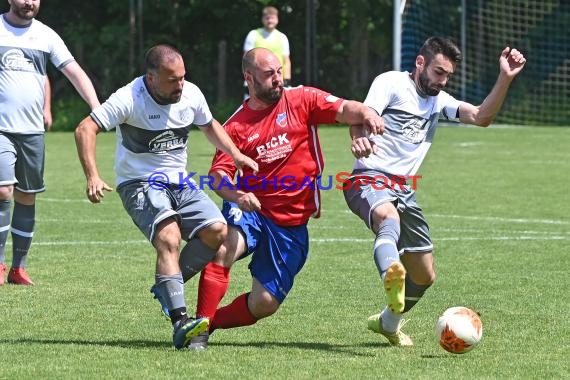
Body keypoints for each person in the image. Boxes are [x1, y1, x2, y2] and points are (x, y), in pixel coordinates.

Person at [176, 47, 385, 349]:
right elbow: (218, 177)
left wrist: (367, 113)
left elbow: (344, 109)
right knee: (226, 249)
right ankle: (199, 333)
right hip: (251, 208)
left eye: (279, 72)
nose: (277, 79)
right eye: (268, 74)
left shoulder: (302, 99)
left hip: (291, 224)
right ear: (249, 78)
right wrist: (238, 195)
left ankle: (210, 323)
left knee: (265, 304)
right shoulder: (235, 126)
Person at [344, 37, 526, 346]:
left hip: (404, 190)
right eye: (438, 72)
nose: (442, 81)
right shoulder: (390, 83)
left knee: (425, 275)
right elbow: (362, 115)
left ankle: (388, 323)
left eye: (447, 76)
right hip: (369, 178)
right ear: (420, 63)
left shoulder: (438, 100)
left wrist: (505, 78)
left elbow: (482, 117)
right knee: (387, 217)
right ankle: (390, 270)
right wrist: (359, 137)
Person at [74, 44, 257, 350]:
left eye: (183, 77)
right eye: (172, 80)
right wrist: (92, 175)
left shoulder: (191, 94)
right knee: (169, 237)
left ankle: (166, 287)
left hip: (180, 182)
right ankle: (180, 320)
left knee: (217, 231)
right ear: (151, 77)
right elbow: (85, 129)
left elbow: (209, 125)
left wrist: (235, 155)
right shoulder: (129, 98)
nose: (180, 85)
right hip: (139, 182)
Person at [0, 0, 99, 286]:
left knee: (27, 196)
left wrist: (97, 107)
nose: (29, 2)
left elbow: (74, 72)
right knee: (4, 191)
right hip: (2, 129)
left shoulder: (46, 35)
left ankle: (19, 268)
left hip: (32, 132)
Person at [242, 5, 291, 99]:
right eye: (267, 18)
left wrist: (287, 80)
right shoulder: (253, 35)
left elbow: (286, 61)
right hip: (257, 81)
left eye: (272, 18)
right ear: (262, 19)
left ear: (277, 19)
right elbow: (246, 60)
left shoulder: (282, 37)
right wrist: (247, 80)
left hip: (277, 81)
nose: (270, 20)